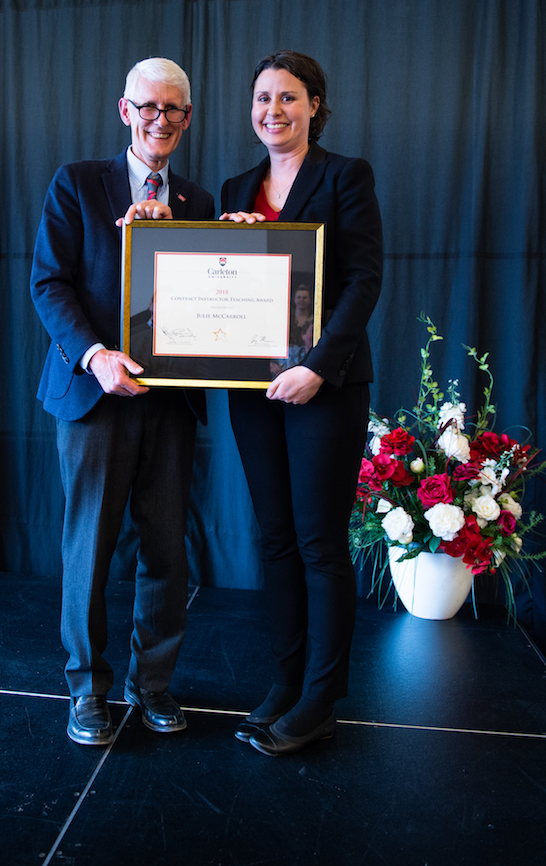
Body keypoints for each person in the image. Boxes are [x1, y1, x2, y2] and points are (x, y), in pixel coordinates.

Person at [30, 58, 214, 746]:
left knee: (166, 547)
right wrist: (96, 355)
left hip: (169, 402)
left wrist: (243, 242)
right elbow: (49, 284)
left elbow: (211, 299)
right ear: (124, 111)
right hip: (94, 397)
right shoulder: (78, 183)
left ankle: (152, 683)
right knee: (91, 546)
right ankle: (86, 687)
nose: (159, 120)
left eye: (172, 110)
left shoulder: (199, 201)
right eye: (147, 107)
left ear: (188, 118)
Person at [220, 51, 382, 756]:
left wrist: (317, 367)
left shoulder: (345, 175)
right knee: (276, 539)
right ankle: (286, 683)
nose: (273, 110)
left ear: (315, 104)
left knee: (319, 542)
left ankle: (320, 699)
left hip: (325, 387)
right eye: (263, 98)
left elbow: (363, 280)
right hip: (253, 388)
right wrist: (227, 245)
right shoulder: (236, 186)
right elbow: (229, 283)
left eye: (288, 97)